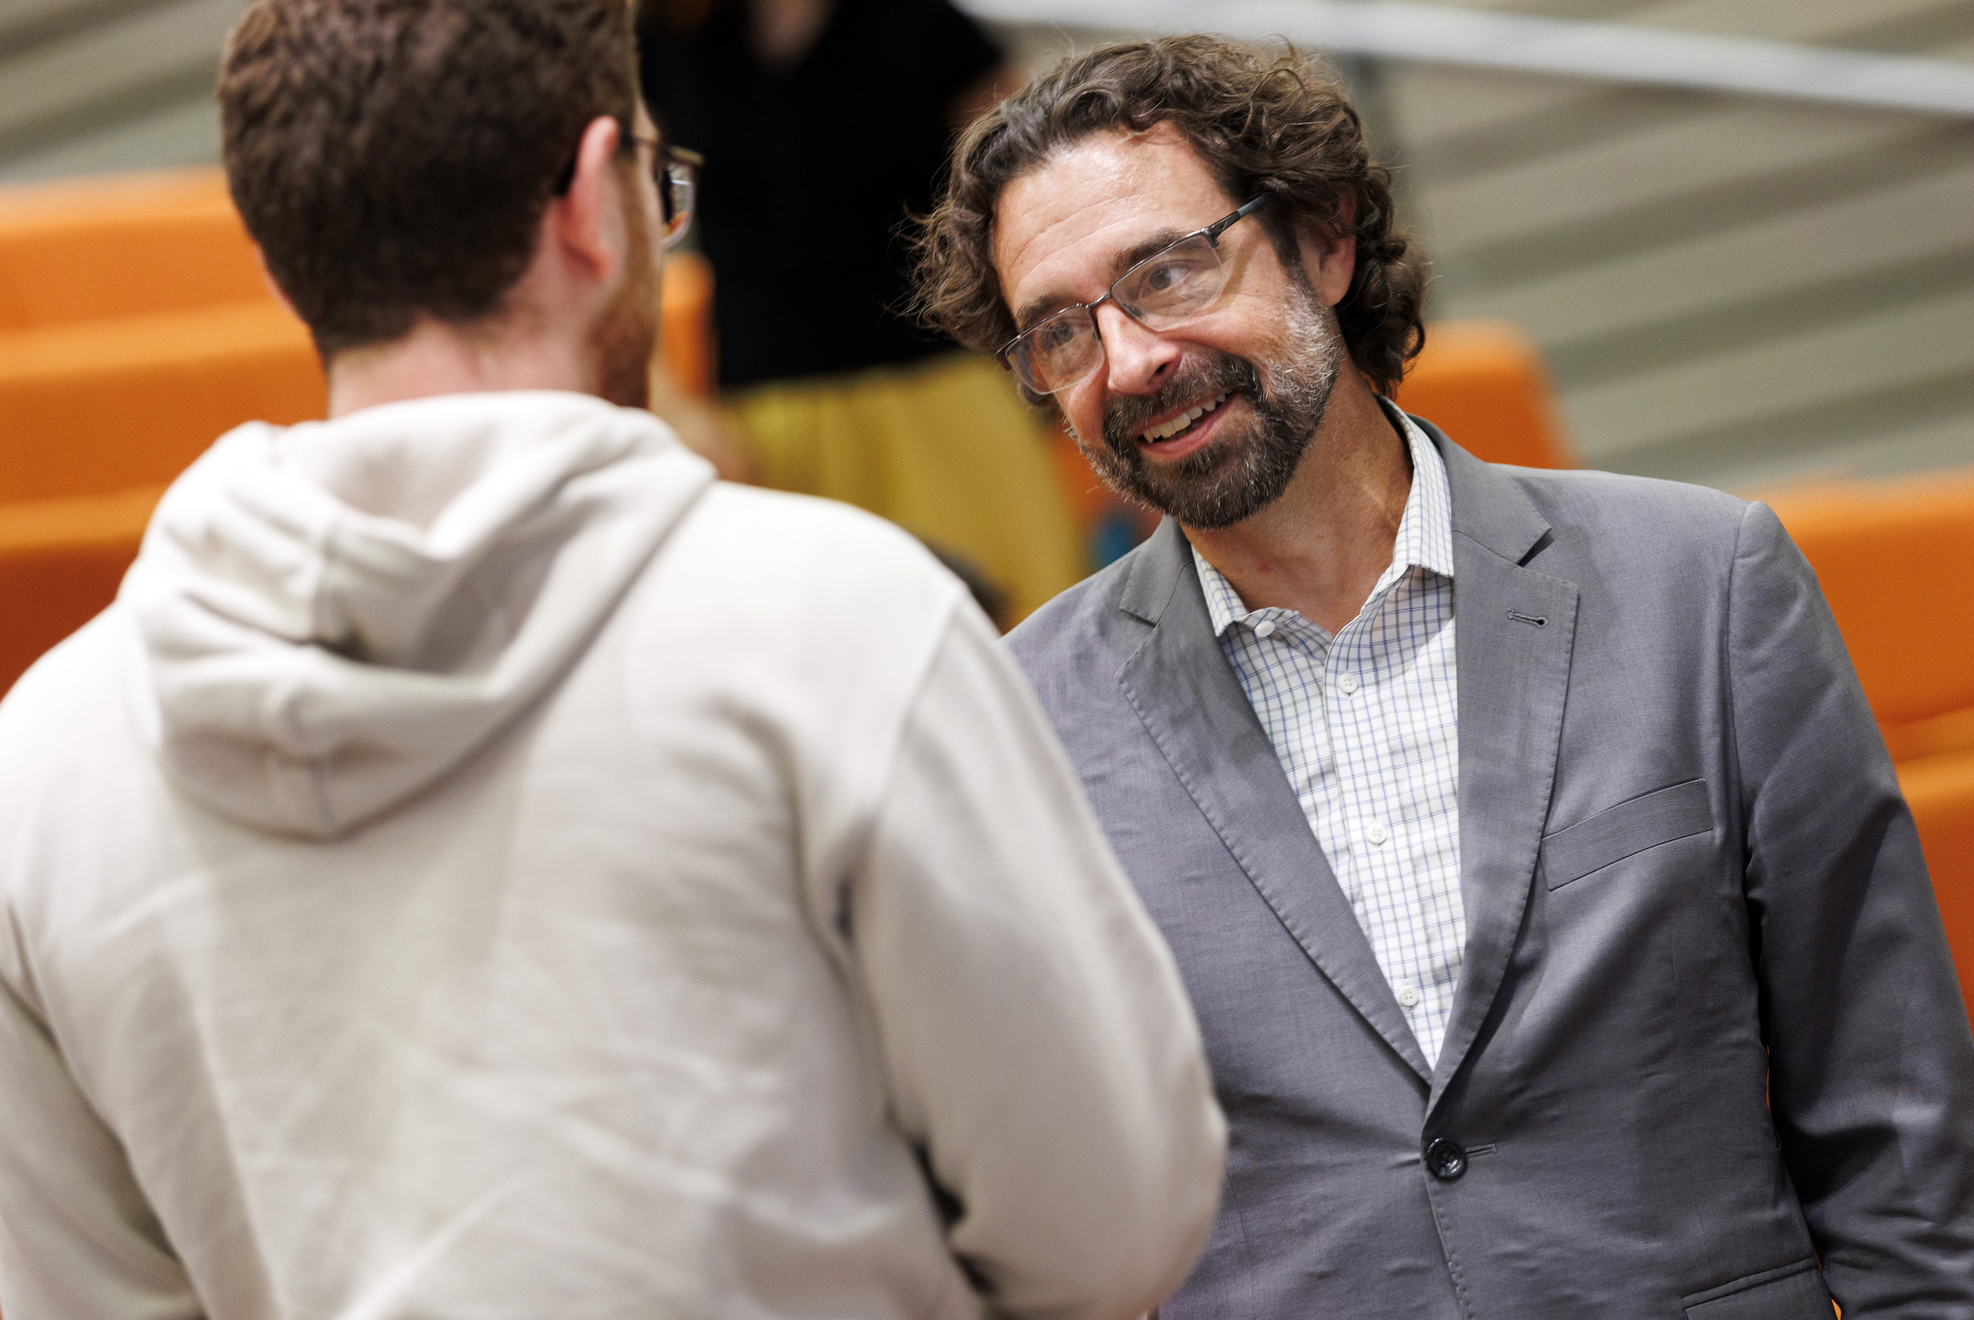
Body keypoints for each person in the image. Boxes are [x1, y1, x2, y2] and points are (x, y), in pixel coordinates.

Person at [0, 6, 1227, 1317]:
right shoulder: (844, 623)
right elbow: (1113, 1224)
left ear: (284, 251)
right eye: (660, 182)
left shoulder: (39, 765)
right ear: (594, 201)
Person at [913, 35, 1974, 1320]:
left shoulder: (1703, 586)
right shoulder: (1017, 724)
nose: (1131, 359)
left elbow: (1906, 1160)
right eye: (1061, 332)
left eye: (1168, 270)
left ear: (1322, 239)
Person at [636, 0, 1087, 621]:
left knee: (1012, 660)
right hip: (764, 431)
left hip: (944, 408)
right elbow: (618, 232)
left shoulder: (930, 29)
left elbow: (1038, 201)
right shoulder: (666, 41)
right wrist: (671, 403)